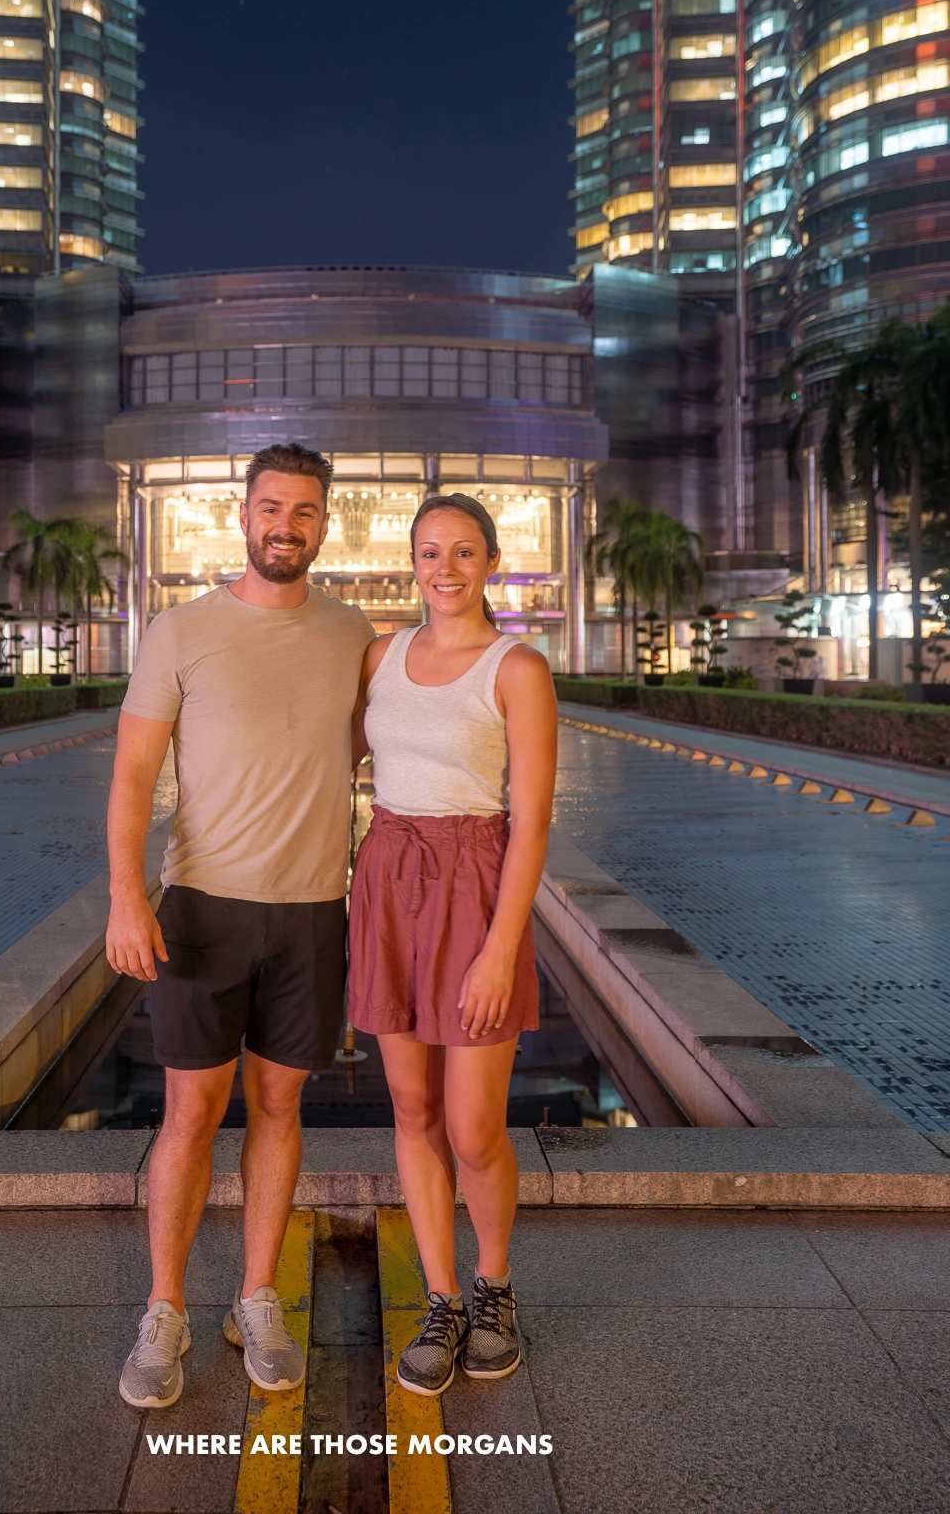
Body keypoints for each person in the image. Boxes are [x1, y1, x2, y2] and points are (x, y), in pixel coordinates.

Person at [106, 443, 373, 1410]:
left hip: (311, 913)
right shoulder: (180, 630)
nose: (285, 527)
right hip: (204, 907)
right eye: (271, 509)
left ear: (323, 524)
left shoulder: (355, 635)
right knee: (188, 1113)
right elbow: (135, 775)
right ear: (243, 515)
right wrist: (127, 896)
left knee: (279, 1108)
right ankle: (166, 1307)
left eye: (303, 512)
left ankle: (256, 1296)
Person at [348, 492, 557, 1397]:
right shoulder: (379, 656)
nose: (445, 568)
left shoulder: (516, 667)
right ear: (413, 560)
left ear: (492, 561)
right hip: (389, 873)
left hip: (475, 879)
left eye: (463, 552)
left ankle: (495, 1285)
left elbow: (534, 817)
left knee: (474, 1129)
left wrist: (501, 948)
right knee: (412, 1110)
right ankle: (441, 1301)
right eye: (430, 552)